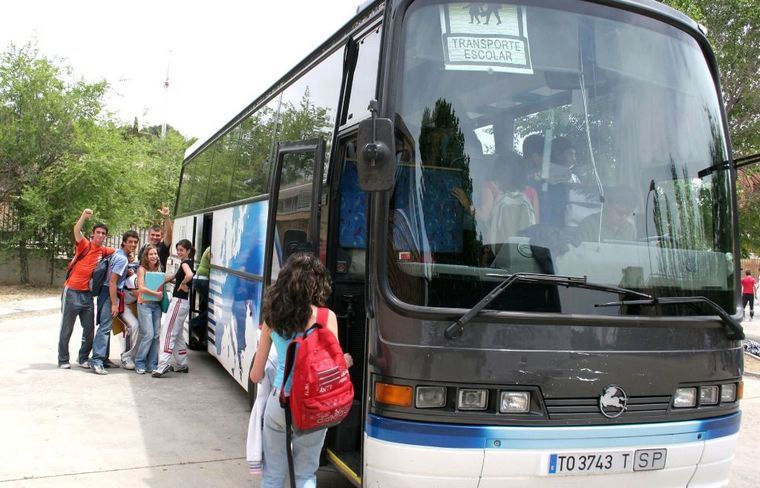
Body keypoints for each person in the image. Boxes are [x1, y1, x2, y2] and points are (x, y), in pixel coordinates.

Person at [250, 252, 352, 488]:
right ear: (318, 284)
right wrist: (346, 360)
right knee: (305, 474)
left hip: (280, 403)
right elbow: (333, 369)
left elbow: (256, 375)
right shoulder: (327, 317)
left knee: (273, 474)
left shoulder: (271, 318)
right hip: (313, 406)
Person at [57, 209, 115, 369]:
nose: (101, 235)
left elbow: (120, 254)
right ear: (93, 234)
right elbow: (76, 231)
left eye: (103, 233)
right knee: (66, 328)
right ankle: (63, 360)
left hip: (88, 296)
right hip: (72, 292)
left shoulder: (104, 251)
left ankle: (83, 358)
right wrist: (83, 216)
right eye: (98, 232)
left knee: (89, 330)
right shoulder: (84, 245)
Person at [90, 230, 140, 375]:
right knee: (105, 328)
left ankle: (103, 359)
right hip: (109, 294)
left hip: (108, 293)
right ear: (124, 242)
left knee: (106, 327)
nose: (133, 244)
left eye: (135, 242)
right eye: (130, 241)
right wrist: (114, 304)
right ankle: (97, 361)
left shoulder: (119, 254)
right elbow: (112, 282)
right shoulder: (122, 259)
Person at [152, 239, 195, 377]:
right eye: (178, 250)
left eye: (182, 250)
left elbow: (189, 275)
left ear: (188, 251)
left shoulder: (185, 264)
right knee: (177, 334)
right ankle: (182, 364)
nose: (179, 252)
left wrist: (182, 283)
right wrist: (163, 279)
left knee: (168, 332)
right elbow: (177, 277)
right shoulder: (188, 263)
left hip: (178, 302)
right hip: (183, 303)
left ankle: (162, 365)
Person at [135, 244, 164, 374]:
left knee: (156, 335)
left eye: (155, 254)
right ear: (146, 257)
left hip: (156, 305)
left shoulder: (159, 268)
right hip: (145, 305)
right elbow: (141, 287)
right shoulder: (142, 269)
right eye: (151, 254)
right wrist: (155, 293)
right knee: (148, 334)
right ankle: (140, 363)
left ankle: (152, 364)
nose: (154, 256)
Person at [138, 206, 173, 271]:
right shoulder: (144, 247)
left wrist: (166, 217)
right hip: (143, 278)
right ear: (148, 235)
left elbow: (168, 234)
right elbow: (140, 263)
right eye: (153, 235)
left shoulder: (163, 247)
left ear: (162, 236)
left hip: (158, 279)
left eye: (157, 235)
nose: (155, 237)